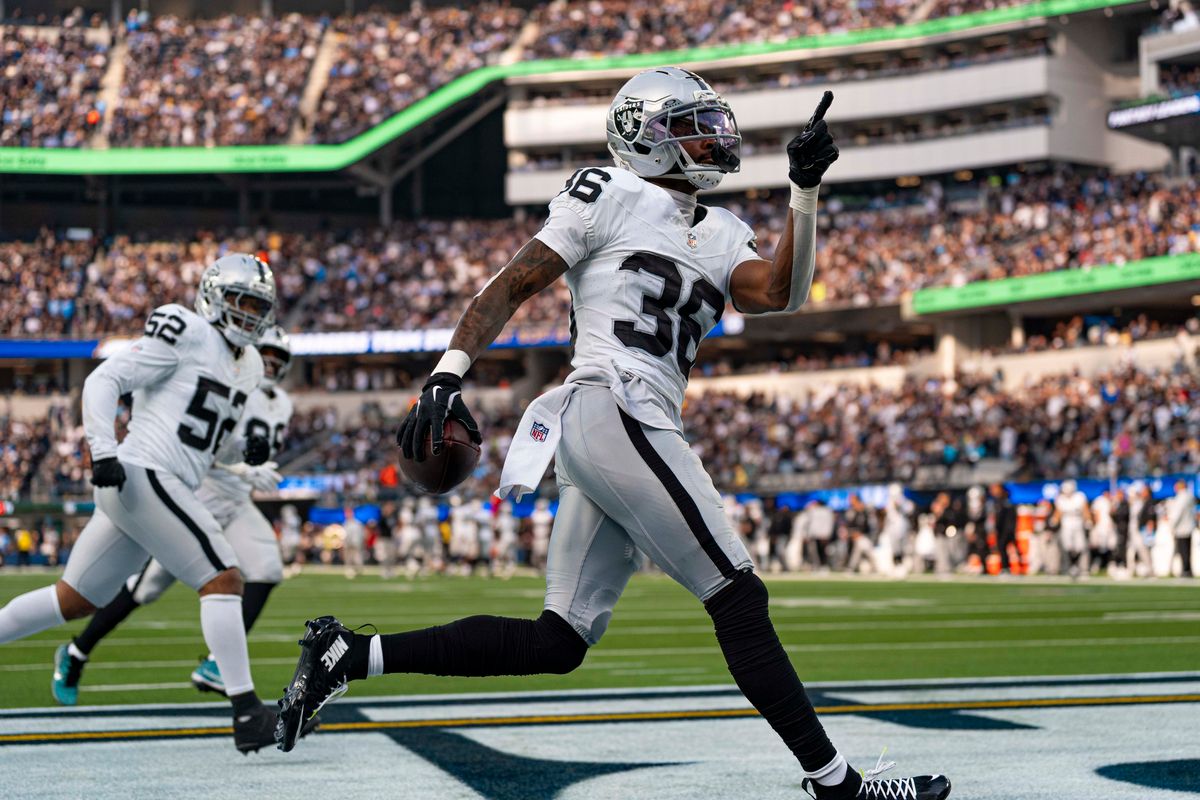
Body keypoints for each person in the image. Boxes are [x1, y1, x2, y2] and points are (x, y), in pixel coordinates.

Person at [274, 68, 950, 799]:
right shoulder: (608, 191)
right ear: (648, 137)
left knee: (559, 640)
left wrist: (805, 191)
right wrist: (446, 374)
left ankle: (352, 654)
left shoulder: (721, 231)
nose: (711, 136)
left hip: (622, 425)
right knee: (738, 597)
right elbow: (512, 283)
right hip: (615, 404)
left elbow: (781, 292)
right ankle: (837, 785)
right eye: (691, 124)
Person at [0, 254, 289, 752]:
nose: (249, 315)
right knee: (223, 576)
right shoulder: (188, 330)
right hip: (143, 470)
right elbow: (103, 380)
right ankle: (247, 713)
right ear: (214, 297)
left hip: (163, 478)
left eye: (258, 306)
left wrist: (245, 451)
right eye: (241, 302)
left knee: (74, 600)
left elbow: (209, 441)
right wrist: (102, 448)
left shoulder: (251, 365)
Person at [51, 325, 296, 702]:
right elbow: (201, 448)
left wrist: (250, 470)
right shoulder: (231, 382)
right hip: (199, 495)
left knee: (266, 567)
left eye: (279, 359)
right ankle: (76, 652)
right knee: (144, 589)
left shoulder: (282, 402)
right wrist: (245, 467)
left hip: (237, 503)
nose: (271, 363)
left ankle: (217, 664)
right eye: (268, 354)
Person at [1166, 479, 1196, 577]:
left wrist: (1172, 525)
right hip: (1188, 526)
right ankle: (1187, 570)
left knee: (1183, 550)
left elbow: (1177, 513)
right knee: (1187, 550)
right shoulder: (1189, 496)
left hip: (1182, 528)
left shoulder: (1182, 497)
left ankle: (1186, 570)